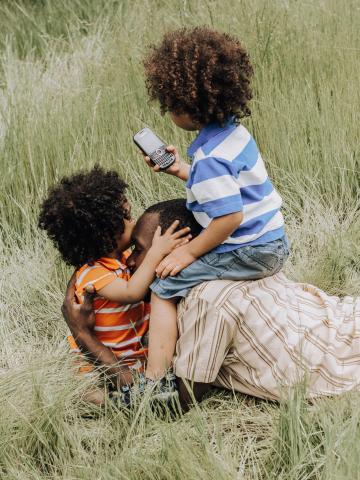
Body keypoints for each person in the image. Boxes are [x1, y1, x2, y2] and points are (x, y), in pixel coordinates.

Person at [62, 199, 360, 411]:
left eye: (139, 250)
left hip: (343, 368)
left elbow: (172, 401)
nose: (129, 261)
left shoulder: (205, 303)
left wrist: (83, 334)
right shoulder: (236, 258)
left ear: (175, 250)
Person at [141, 27, 290, 387]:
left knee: (164, 287)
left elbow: (229, 217)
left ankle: (156, 381)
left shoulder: (209, 159)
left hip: (251, 250)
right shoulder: (233, 135)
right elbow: (225, 191)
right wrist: (179, 169)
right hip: (273, 238)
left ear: (188, 107)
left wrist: (187, 254)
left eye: (171, 105)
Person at [38, 167, 191, 404]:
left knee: (142, 387)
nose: (134, 221)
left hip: (128, 355)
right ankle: (94, 401)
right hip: (94, 368)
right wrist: (156, 252)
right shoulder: (93, 273)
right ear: (107, 232)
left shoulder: (120, 260)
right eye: (127, 218)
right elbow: (132, 293)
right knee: (96, 395)